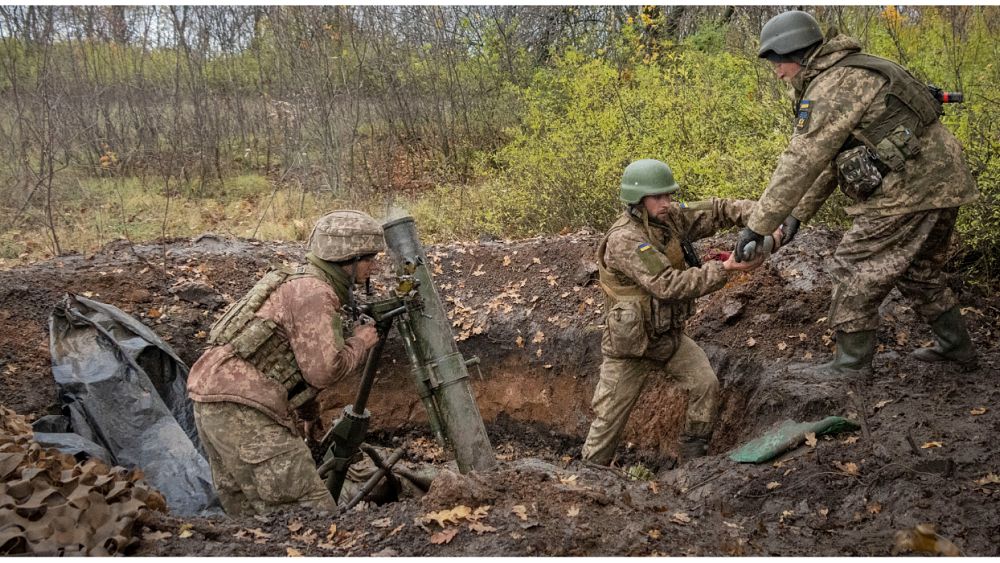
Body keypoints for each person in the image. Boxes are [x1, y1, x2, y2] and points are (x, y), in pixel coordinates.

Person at [734, 10, 980, 377]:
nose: (777, 72)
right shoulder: (855, 68)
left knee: (852, 267)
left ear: (797, 54)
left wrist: (757, 226)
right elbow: (833, 160)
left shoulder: (833, 86)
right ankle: (956, 347)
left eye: (777, 62)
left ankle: (851, 364)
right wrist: (796, 215)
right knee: (919, 272)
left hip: (908, 190)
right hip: (942, 181)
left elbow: (802, 160)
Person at [187, 210, 383, 516]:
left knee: (254, 521)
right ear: (351, 257)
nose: (374, 266)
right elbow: (324, 370)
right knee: (310, 517)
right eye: (371, 258)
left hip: (212, 403)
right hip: (244, 412)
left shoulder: (299, 280)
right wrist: (361, 341)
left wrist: (308, 412)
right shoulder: (315, 293)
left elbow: (286, 358)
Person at [581, 159, 775, 466]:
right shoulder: (625, 239)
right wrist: (725, 268)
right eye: (658, 197)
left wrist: (765, 217)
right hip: (630, 350)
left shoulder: (667, 218)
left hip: (667, 338)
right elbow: (668, 285)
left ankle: (693, 463)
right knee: (608, 420)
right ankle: (588, 477)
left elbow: (717, 209)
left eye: (668, 195)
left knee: (705, 385)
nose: (667, 202)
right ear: (637, 200)